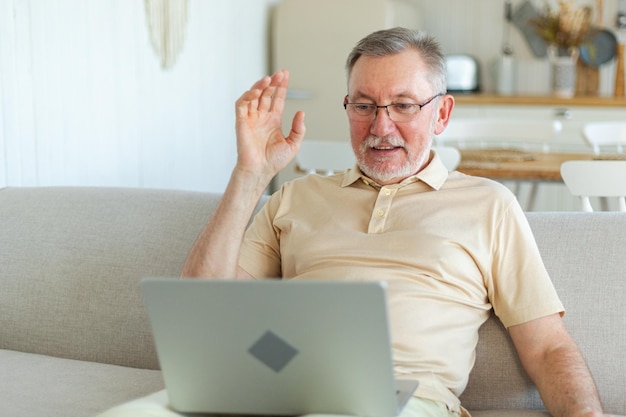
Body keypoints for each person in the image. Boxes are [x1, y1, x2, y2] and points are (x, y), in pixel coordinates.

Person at [181, 27, 610, 417]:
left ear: (441, 114)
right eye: (364, 105)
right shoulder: (294, 198)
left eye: (403, 105)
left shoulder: (489, 205)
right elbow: (199, 311)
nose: (381, 126)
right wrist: (249, 176)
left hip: (402, 401)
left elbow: (548, 347)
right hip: (280, 390)